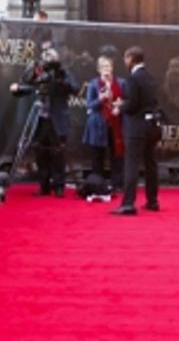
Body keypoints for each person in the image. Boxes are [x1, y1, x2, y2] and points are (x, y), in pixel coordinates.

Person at [11, 48, 79, 197]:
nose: (48, 59)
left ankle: (59, 186)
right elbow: (28, 85)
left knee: (58, 154)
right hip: (40, 119)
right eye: (46, 56)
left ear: (57, 58)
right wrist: (18, 88)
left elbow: (75, 88)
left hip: (58, 119)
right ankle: (44, 185)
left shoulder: (64, 74)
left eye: (52, 56)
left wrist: (59, 80)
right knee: (40, 152)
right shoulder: (39, 72)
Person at [113, 46, 161, 216]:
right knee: (151, 164)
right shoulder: (150, 77)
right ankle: (152, 201)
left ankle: (128, 203)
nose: (124, 61)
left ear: (131, 59)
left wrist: (121, 105)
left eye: (125, 58)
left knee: (131, 165)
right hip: (152, 126)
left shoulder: (133, 79)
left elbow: (132, 105)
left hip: (136, 128)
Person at [83, 55, 124, 197]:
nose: (106, 69)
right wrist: (100, 99)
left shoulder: (121, 83)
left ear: (112, 68)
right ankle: (97, 184)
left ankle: (117, 183)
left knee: (117, 155)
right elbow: (89, 105)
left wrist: (120, 106)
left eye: (108, 66)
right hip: (97, 124)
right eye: (103, 67)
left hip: (116, 124)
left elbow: (127, 100)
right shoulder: (93, 84)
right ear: (98, 69)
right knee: (97, 156)